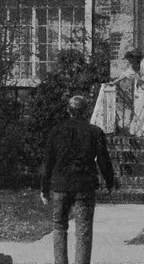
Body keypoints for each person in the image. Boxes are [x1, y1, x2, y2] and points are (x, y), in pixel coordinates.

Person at [40, 95, 114, 264]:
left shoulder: (56, 131)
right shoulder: (95, 132)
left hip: (60, 186)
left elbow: (48, 162)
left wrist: (44, 188)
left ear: (68, 110)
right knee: (83, 231)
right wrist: (109, 182)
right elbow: (104, 160)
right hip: (84, 186)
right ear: (86, 111)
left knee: (59, 227)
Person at [109, 47, 144, 136]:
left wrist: (136, 76)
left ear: (135, 58)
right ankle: (138, 129)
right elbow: (125, 74)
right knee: (138, 108)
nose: (130, 62)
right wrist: (114, 83)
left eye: (131, 59)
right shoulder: (134, 65)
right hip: (141, 90)